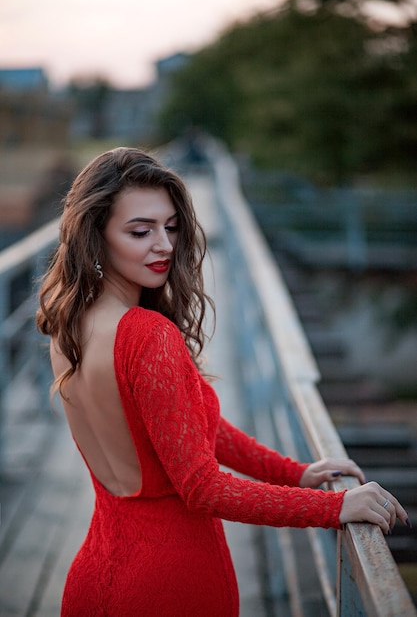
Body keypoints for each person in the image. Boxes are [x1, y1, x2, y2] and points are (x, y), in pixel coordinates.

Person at [36, 147, 410, 617]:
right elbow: (202, 487)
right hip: (173, 584)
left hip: (95, 579)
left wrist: (293, 473)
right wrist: (332, 509)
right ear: (96, 236)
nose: (165, 246)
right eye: (140, 231)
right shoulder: (148, 335)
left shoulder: (67, 324)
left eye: (170, 227)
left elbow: (185, 428)